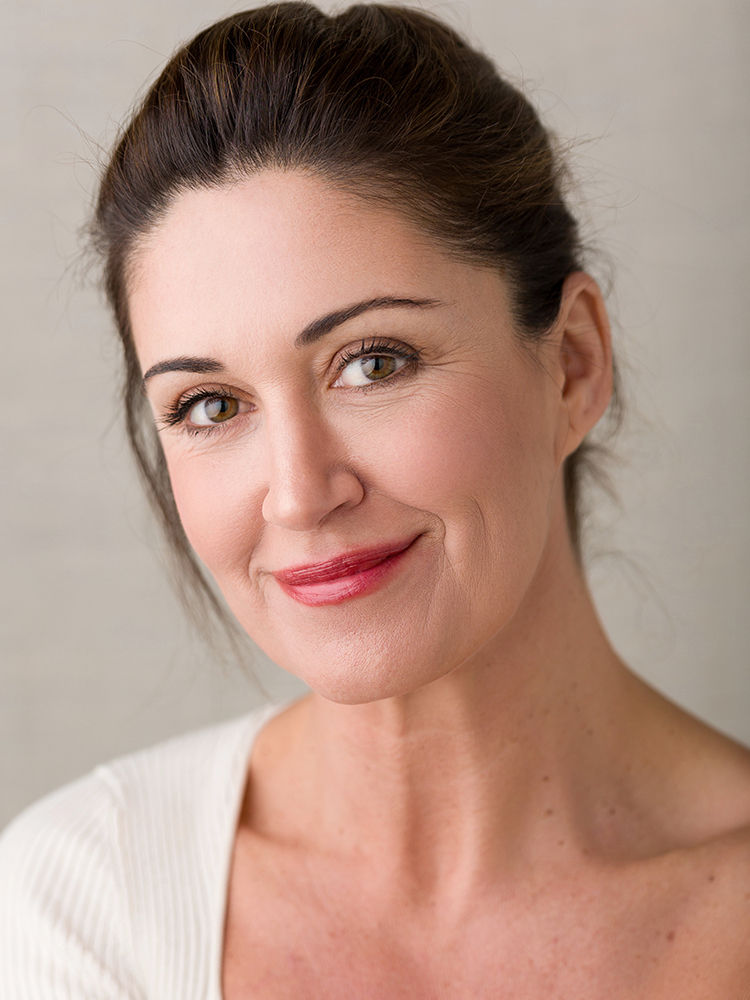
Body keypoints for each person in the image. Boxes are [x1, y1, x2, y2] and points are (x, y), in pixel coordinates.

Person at [1, 3, 749, 996]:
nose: (300, 493)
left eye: (375, 361)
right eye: (211, 404)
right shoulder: (79, 911)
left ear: (571, 364)